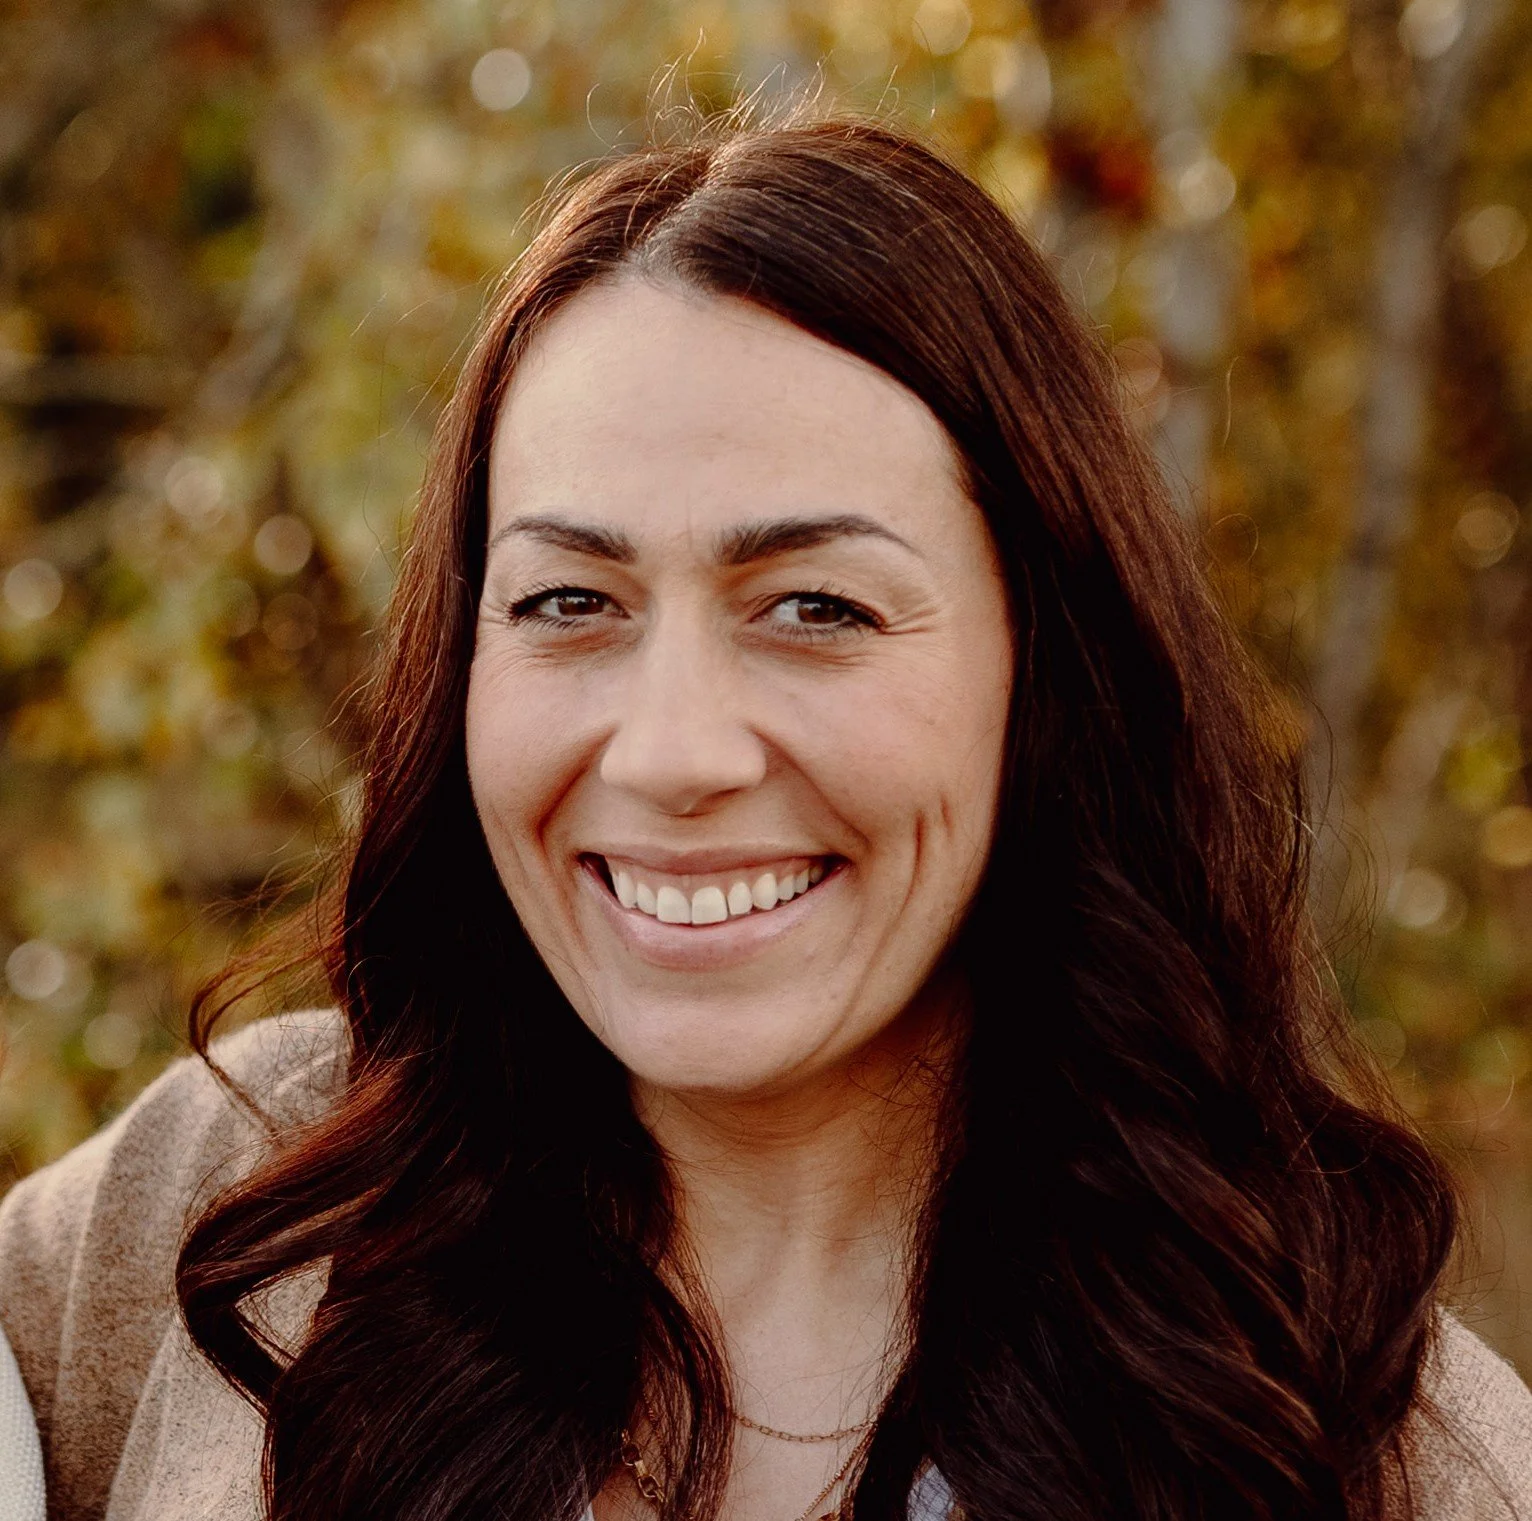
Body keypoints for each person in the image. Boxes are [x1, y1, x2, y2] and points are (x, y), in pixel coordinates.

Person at [2, 104, 1530, 1521]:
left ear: (1046, 665)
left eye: (814, 605)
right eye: (569, 600)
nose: (671, 753)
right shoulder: (238, 1202)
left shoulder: (1358, 1435)